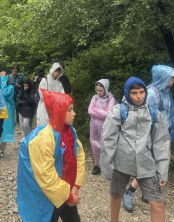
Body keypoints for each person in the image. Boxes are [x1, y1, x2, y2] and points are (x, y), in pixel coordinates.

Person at [100, 76, 171, 222]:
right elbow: (108, 140)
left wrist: (162, 170)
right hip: (121, 163)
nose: (139, 96)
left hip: (146, 164)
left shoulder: (153, 114)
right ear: (127, 93)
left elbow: (161, 142)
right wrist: (107, 167)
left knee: (158, 203)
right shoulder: (118, 112)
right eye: (134, 93)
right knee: (116, 194)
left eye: (141, 92)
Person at [17, 89, 85, 222]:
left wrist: (76, 187)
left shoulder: (70, 131)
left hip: (66, 190)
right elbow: (45, 175)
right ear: (59, 111)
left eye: (73, 109)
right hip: (49, 196)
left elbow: (79, 158)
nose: (74, 114)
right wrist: (69, 197)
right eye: (69, 110)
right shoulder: (45, 138)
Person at [123, 65, 174, 212]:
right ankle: (130, 191)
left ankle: (148, 193)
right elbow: (143, 117)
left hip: (163, 134)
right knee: (148, 165)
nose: (172, 81)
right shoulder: (151, 93)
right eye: (171, 78)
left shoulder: (165, 91)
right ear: (163, 77)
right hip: (151, 136)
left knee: (157, 164)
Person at [88, 79, 117, 175]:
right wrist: (101, 112)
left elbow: (108, 114)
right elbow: (90, 111)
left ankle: (106, 165)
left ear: (106, 88)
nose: (99, 92)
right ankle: (98, 165)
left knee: (106, 144)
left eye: (101, 90)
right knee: (94, 143)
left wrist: (95, 110)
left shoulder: (111, 99)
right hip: (94, 125)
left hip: (106, 125)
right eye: (97, 90)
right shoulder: (95, 98)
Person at [36, 63, 65, 127]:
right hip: (44, 107)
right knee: (44, 124)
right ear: (52, 70)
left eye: (58, 72)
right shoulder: (45, 80)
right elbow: (42, 93)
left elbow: (62, 95)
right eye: (55, 71)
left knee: (54, 126)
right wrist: (53, 96)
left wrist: (53, 97)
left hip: (55, 108)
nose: (57, 73)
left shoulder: (59, 83)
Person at [0, 72, 15, 159]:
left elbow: (4, 93)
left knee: (4, 130)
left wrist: (3, 78)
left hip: (7, 110)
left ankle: (1, 150)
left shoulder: (10, 87)